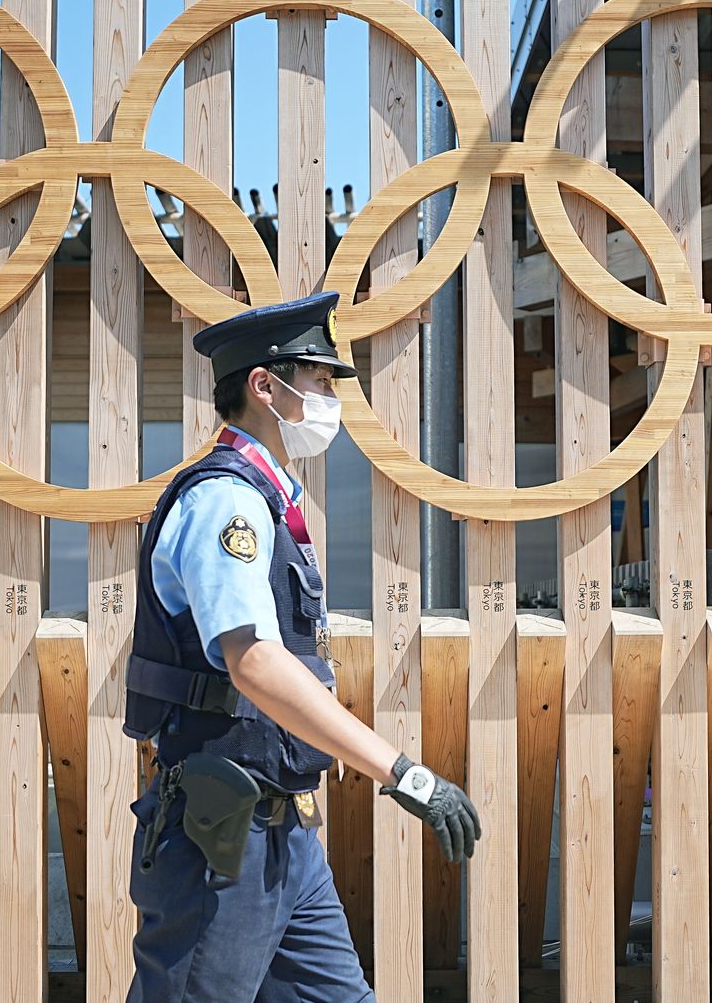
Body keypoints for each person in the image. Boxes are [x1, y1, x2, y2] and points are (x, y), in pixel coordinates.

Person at [123, 291, 481, 1001]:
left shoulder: (266, 496)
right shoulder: (227, 502)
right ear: (265, 385)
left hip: (283, 834)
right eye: (318, 380)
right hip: (220, 836)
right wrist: (401, 772)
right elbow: (252, 663)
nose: (329, 398)